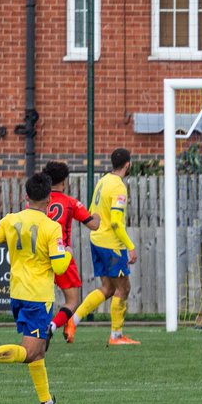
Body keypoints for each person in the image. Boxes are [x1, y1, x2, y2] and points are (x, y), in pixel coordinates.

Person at [0, 173, 69, 404]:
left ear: (26, 197)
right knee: (30, 352)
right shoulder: (52, 227)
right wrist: (68, 252)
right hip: (38, 297)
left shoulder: (10, 220)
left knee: (38, 351)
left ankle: (46, 401)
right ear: (49, 199)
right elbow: (60, 267)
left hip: (18, 293)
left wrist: (5, 237)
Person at [64, 148, 139, 345]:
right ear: (128, 165)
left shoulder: (103, 181)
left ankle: (73, 320)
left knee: (108, 288)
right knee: (123, 287)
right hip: (110, 244)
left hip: (96, 240)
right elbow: (115, 222)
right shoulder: (118, 187)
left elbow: (92, 211)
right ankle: (116, 336)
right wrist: (130, 246)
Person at [41, 161, 100, 341]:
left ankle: (36, 331)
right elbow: (94, 225)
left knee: (40, 298)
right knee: (73, 301)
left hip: (40, 256)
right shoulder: (70, 202)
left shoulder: (38, 202)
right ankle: (52, 326)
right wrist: (97, 213)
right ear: (64, 181)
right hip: (61, 255)